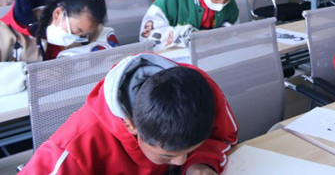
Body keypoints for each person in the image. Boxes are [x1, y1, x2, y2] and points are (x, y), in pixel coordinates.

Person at [21, 52, 238, 174]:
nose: (181, 161)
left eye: (189, 150)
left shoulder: (201, 91)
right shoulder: (74, 147)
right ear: (130, 125)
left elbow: (223, 137)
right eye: (167, 155)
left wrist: (200, 162)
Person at [0, 0, 117, 63]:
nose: (76, 37)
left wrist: (69, 61)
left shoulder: (85, 23)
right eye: (74, 32)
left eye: (83, 35)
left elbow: (109, 43)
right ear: (58, 14)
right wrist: (32, 75)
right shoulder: (5, 32)